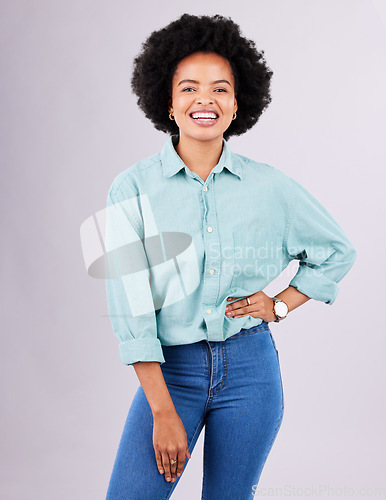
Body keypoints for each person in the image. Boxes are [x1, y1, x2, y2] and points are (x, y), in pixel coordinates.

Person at [104, 13, 357, 499]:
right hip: (170, 372)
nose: (205, 100)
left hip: (251, 370)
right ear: (169, 103)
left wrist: (280, 303)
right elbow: (130, 308)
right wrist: (161, 410)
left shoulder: (271, 187)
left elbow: (337, 251)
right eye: (189, 88)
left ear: (238, 104)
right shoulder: (131, 189)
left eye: (220, 89)